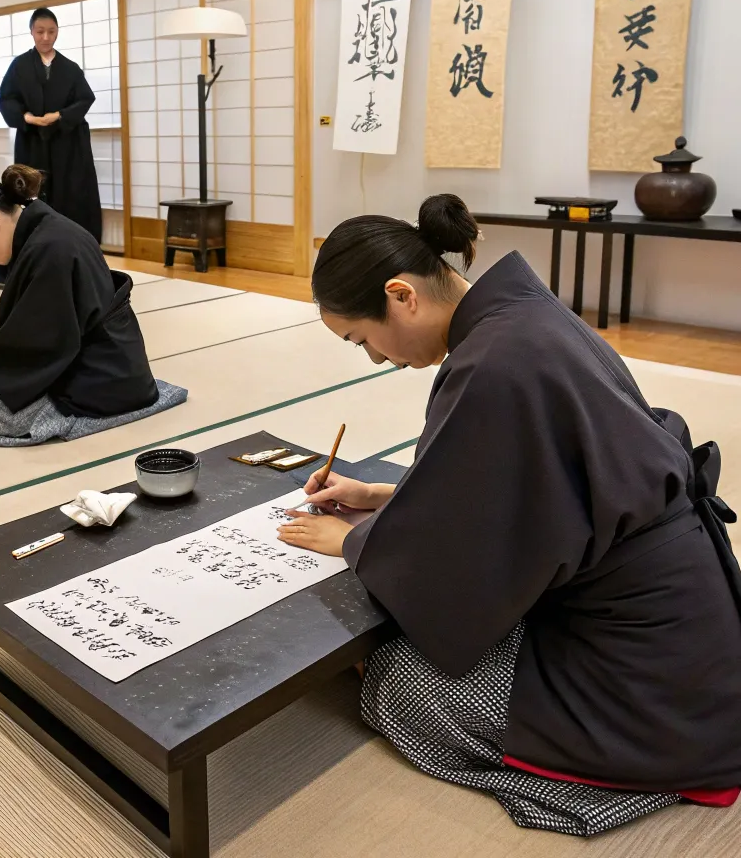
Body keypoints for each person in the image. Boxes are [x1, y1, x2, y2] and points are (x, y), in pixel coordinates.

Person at [278, 194, 741, 836]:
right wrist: (386, 499)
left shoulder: (492, 362)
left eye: (363, 339)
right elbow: (536, 482)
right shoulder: (521, 313)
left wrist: (355, 542)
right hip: (687, 634)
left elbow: (464, 557)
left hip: (649, 692)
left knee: (398, 677)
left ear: (401, 295)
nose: (375, 358)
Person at [0, 165, 158, 438]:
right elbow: (41, 326)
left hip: (101, 380)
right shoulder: (45, 231)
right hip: (110, 364)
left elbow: (45, 340)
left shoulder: (50, 248)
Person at [0, 6, 102, 243]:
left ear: (57, 33)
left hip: (68, 141)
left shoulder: (70, 67)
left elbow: (85, 97)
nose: (45, 37)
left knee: (71, 192)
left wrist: (60, 115)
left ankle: (77, 243)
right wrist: (26, 118)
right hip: (32, 140)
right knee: (32, 191)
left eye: (51, 32)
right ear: (31, 32)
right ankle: (34, 244)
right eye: (40, 31)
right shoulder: (19, 66)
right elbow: (4, 99)